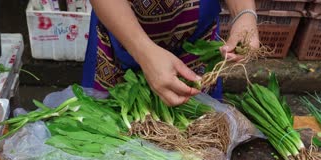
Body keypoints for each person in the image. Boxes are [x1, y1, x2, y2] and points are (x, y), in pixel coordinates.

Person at [82, 0, 259, 106]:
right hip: (123, 33)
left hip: (195, 39)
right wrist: (143, 50)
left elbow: (244, 11)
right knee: (116, 133)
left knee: (198, 130)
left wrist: (244, 13)